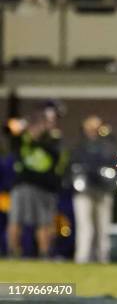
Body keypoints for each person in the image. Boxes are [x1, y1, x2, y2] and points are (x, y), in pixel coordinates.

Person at [6, 107, 66, 258]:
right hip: (22, 185)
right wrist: (26, 124)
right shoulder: (22, 139)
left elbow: (57, 159)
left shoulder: (53, 140)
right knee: (16, 220)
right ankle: (13, 253)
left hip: (45, 187)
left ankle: (44, 253)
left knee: (45, 222)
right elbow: (9, 129)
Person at [70, 115, 116, 263]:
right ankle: (82, 258)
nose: (93, 131)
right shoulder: (79, 147)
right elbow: (73, 168)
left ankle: (103, 257)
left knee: (104, 227)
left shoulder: (108, 145)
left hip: (103, 190)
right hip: (84, 191)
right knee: (85, 227)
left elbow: (113, 165)